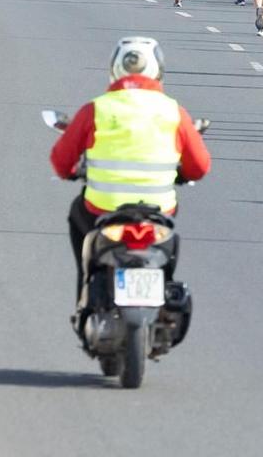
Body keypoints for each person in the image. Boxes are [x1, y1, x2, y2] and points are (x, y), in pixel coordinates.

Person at [48, 37, 212, 296]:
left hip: (101, 208)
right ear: (158, 70)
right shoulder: (173, 111)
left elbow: (60, 161)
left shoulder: (97, 108)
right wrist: (181, 173)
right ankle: (163, 283)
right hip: (159, 211)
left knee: (76, 215)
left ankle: (85, 292)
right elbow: (200, 167)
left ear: (115, 69)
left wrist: (70, 172)